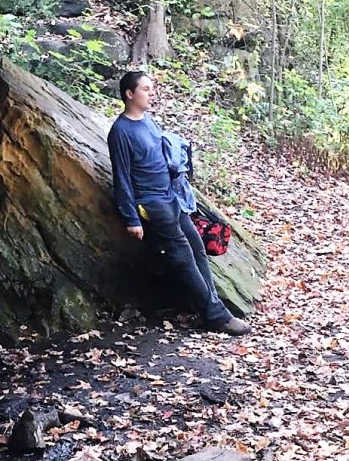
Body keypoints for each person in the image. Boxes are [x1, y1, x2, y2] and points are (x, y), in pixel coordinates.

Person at [107, 70, 251, 336]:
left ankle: (214, 308)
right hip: (151, 204)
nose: (152, 93)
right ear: (129, 93)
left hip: (172, 198)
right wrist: (131, 219)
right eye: (146, 89)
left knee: (197, 249)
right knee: (183, 258)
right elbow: (122, 178)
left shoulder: (148, 121)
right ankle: (217, 317)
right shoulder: (120, 131)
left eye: (151, 88)